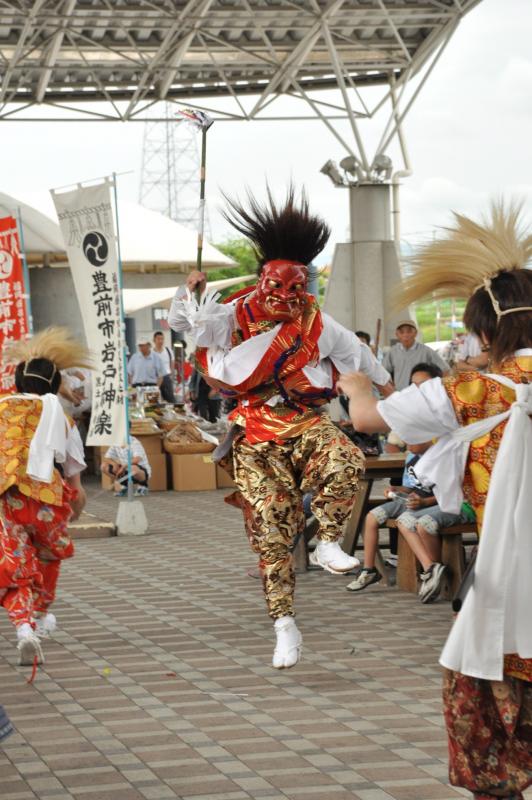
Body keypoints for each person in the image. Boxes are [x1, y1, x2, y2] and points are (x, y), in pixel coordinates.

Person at [337, 201, 532, 800]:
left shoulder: (469, 390)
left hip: (508, 575)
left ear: (484, 331)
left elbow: (369, 418)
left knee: (482, 682)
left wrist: (355, 380)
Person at [169, 186, 393, 670]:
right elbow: (190, 327)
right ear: (262, 279)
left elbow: (360, 359)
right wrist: (192, 292)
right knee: (273, 528)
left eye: (298, 289)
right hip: (252, 432)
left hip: (304, 421)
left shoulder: (316, 321)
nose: (288, 298)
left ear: (306, 286)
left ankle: (328, 539)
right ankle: (284, 625)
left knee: (346, 458)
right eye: (278, 287)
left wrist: (389, 387)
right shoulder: (231, 314)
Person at [0, 327, 90, 667]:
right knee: (50, 557)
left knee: (16, 566)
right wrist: (77, 506)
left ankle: (24, 628)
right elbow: (74, 479)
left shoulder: (2, 408)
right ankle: (39, 615)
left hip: (7, 500)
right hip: (48, 499)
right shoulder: (61, 418)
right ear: (54, 385)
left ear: (18, 383)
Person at [347, 362, 472, 601]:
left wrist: (360, 391)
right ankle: (371, 568)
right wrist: (399, 490)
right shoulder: (420, 428)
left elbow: (363, 420)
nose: (418, 391)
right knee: (374, 517)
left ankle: (434, 569)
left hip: (448, 501)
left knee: (420, 521)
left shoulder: (446, 432)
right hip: (417, 497)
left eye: (423, 386)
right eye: (414, 386)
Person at [383, 320, 449, 391]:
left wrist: (437, 388)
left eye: (409, 331)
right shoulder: (392, 352)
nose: (405, 335)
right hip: (400, 394)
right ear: (397, 334)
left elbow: (445, 370)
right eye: (401, 332)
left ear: (415, 333)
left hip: (421, 394)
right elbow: (383, 373)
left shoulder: (426, 351)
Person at [153, 331, 177, 403]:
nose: (160, 341)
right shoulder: (152, 353)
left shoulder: (168, 350)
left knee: (170, 399)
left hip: (167, 377)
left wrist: (171, 375)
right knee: (155, 399)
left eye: (162, 339)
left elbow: (172, 363)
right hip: (156, 378)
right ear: (154, 340)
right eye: (158, 339)